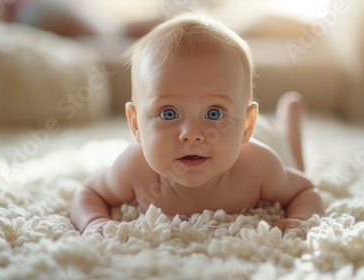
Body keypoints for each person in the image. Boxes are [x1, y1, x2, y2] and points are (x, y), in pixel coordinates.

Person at [70, 13, 324, 236]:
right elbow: (88, 194)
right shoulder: (133, 169)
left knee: (296, 164)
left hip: (271, 141)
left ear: (246, 126)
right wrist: (94, 221)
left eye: (214, 113)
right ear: (136, 125)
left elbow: (305, 191)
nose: (191, 135)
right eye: (168, 113)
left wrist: (301, 220)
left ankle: (289, 121)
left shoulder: (259, 166)